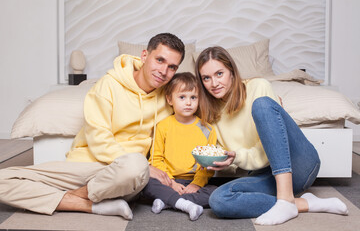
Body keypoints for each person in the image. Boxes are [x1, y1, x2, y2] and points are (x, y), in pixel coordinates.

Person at [0, 33, 185, 220]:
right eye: (159, 60)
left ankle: (68, 197)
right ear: (144, 56)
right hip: (85, 164)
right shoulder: (108, 85)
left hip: (126, 176)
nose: (164, 71)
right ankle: (86, 204)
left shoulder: (171, 97)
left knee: (136, 165)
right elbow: (99, 138)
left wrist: (148, 167)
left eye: (172, 67)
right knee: (2, 180)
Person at [194, 46, 349, 225]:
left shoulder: (258, 87)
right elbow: (230, 157)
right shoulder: (210, 113)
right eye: (206, 78)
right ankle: (302, 203)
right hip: (263, 173)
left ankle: (285, 200)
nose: (214, 83)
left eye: (219, 73)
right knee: (219, 200)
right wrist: (228, 159)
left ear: (232, 72)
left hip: (298, 165)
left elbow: (273, 142)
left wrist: (239, 155)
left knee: (262, 105)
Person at [142, 72, 218, 221]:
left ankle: (167, 201)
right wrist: (171, 183)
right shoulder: (162, 126)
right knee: (146, 185)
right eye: (182, 97)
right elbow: (156, 159)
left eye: (193, 97)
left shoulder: (208, 129)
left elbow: (207, 166)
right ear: (170, 99)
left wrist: (196, 184)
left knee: (217, 194)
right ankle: (184, 203)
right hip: (166, 180)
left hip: (193, 182)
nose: (188, 103)